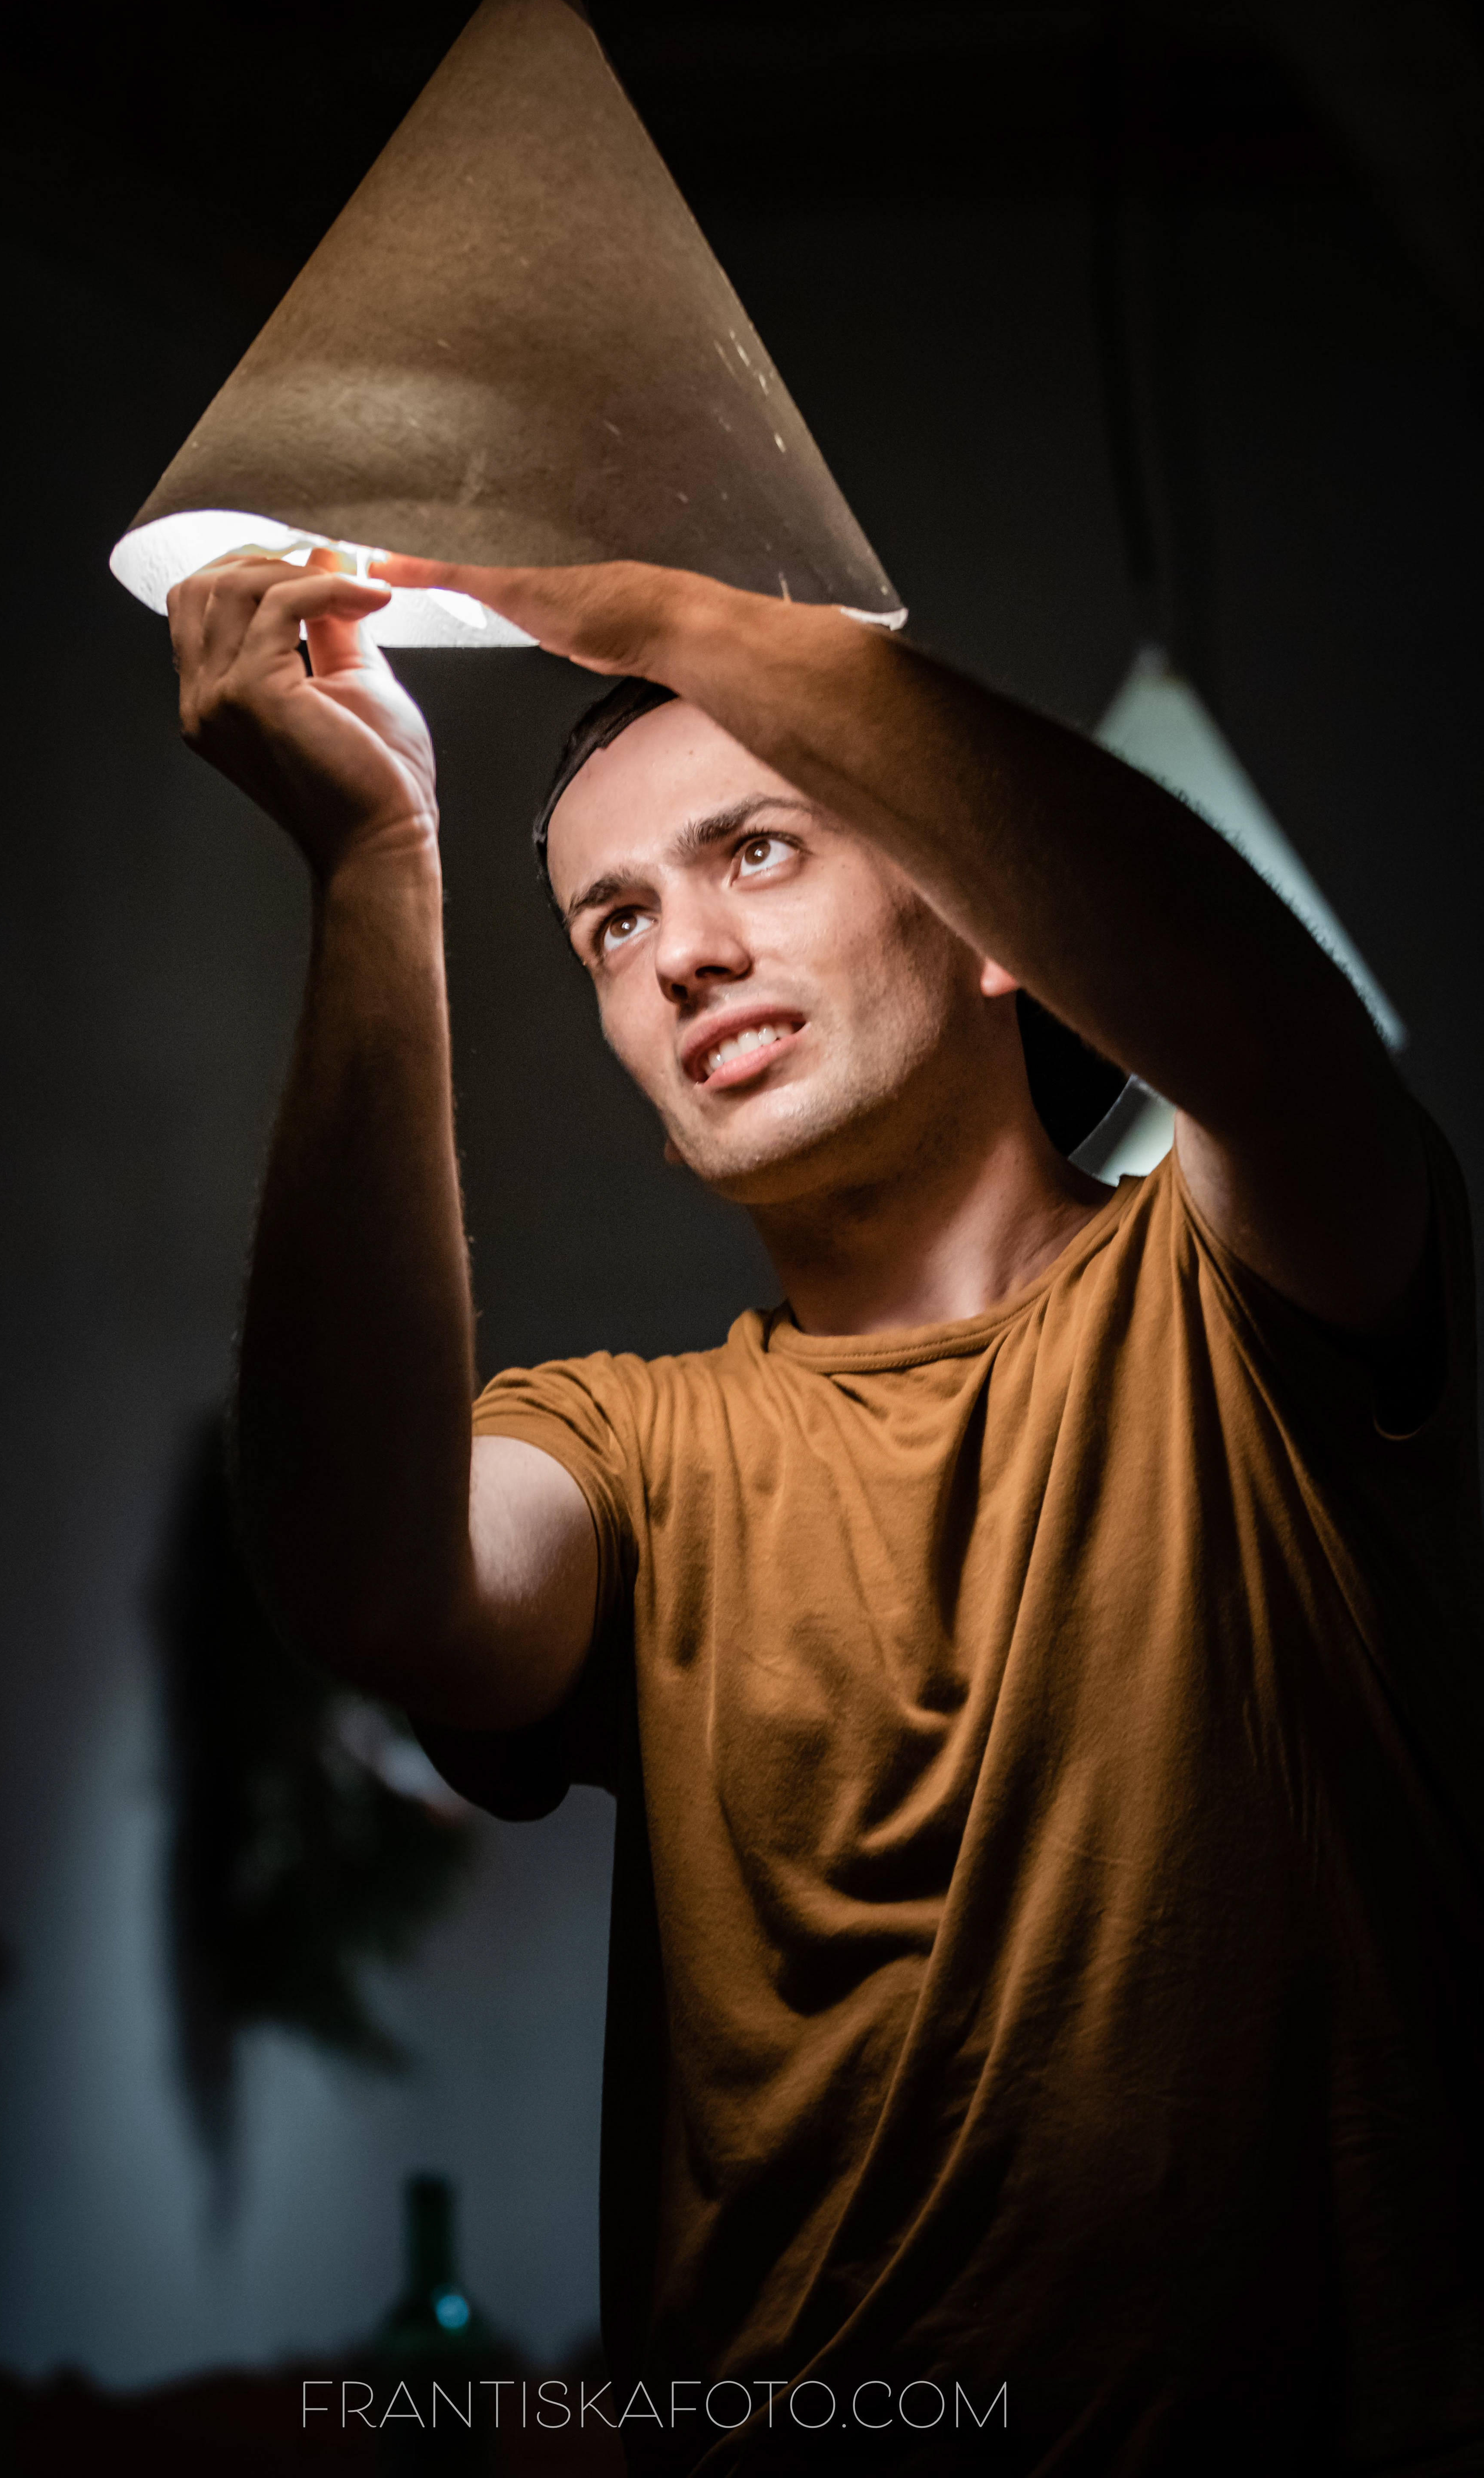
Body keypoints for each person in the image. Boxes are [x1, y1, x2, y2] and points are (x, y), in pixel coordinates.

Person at [167, 544, 1484, 2476]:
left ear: (994, 922)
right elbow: (374, 1584)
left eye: (759, 852)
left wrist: (675, 606)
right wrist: (373, 863)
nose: (680, 954)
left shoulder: (1240, 1297)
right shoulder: (627, 1449)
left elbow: (1281, 1047)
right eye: (614, 922)